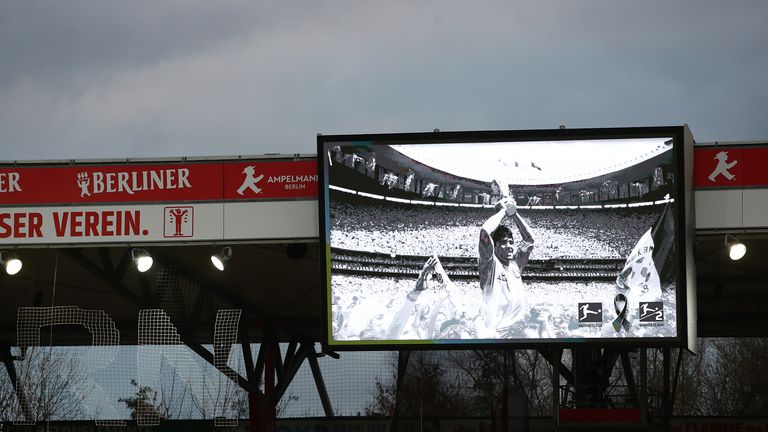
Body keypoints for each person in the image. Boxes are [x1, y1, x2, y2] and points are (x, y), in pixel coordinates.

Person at [477, 191, 535, 337]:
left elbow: (529, 240)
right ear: (494, 247)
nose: (509, 246)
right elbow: (485, 232)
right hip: (496, 333)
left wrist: (514, 213)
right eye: (503, 242)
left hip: (517, 331)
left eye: (511, 242)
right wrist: (503, 211)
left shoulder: (516, 263)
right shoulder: (490, 264)